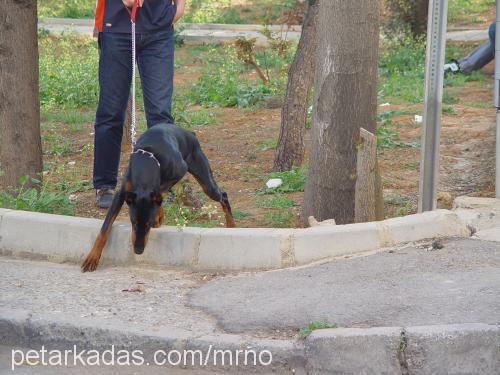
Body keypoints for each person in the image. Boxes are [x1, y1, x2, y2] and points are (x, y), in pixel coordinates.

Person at [93, 0, 186, 208]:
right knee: (111, 111)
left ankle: (161, 184)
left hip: (159, 27)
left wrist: (180, 5)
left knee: (161, 114)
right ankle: (105, 185)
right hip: (116, 27)